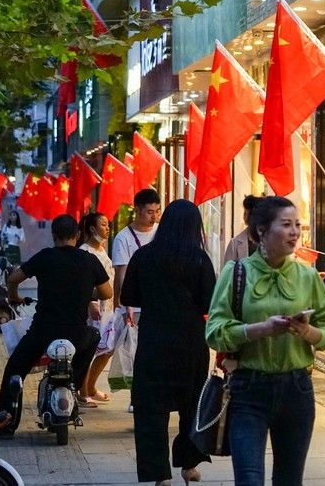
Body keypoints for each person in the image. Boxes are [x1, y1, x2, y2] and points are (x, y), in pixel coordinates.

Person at [206, 196, 325, 486]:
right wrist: (260, 329)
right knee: (249, 479)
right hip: (248, 389)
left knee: (289, 480)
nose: (295, 232)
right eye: (286, 225)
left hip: (297, 389)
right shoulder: (236, 273)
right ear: (262, 230)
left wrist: (307, 332)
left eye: (297, 225)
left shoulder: (307, 276)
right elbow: (215, 332)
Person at [120, 200, 216, 486]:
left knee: (151, 410)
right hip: (190, 343)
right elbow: (210, 302)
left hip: (154, 342)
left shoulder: (143, 256)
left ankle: (160, 475)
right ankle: (189, 465)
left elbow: (128, 297)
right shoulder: (200, 260)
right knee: (192, 405)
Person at [0, 215, 111, 434]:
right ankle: (74, 384)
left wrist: (14, 297)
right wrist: (84, 291)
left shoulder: (45, 257)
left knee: (15, 369)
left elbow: (12, 279)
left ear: (53, 235)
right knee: (94, 336)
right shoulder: (89, 259)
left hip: (43, 332)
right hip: (77, 334)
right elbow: (107, 292)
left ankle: (6, 424)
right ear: (78, 235)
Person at [112, 188, 160, 413]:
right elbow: (121, 274)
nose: (154, 216)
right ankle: (136, 398)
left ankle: (155, 395)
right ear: (137, 210)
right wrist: (126, 305)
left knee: (156, 352)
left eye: (157, 211)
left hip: (158, 303)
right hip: (136, 307)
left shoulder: (161, 233)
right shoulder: (123, 238)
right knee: (137, 354)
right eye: (150, 212)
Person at [77, 212, 115, 406]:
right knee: (88, 350)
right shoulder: (84, 251)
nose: (107, 228)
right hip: (93, 309)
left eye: (108, 225)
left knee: (108, 348)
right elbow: (82, 282)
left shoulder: (102, 249)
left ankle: (91, 386)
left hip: (108, 308)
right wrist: (90, 302)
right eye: (103, 225)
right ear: (92, 228)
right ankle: (83, 392)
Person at [223, 194, 263, 263]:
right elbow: (228, 268)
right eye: (244, 212)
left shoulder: (270, 242)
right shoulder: (234, 244)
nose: (244, 215)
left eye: (247, 212)